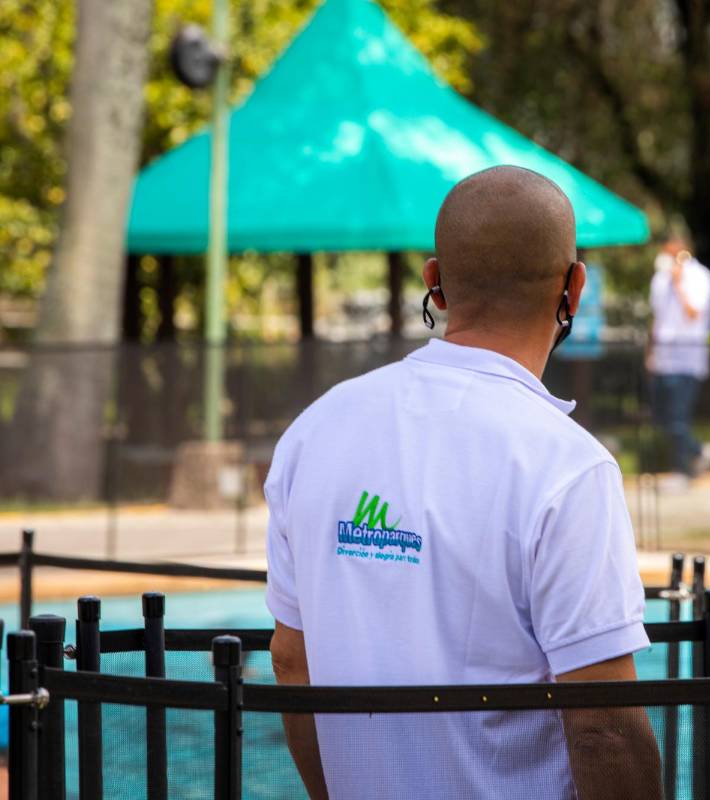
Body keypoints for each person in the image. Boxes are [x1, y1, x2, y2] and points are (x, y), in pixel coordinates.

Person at [266, 166, 662, 800]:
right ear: (574, 289)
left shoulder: (316, 431)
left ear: (435, 284)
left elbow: (291, 660)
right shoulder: (567, 465)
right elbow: (604, 726)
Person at [646, 235, 710, 491]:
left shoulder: (700, 277)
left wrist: (679, 285)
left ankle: (681, 471)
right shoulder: (659, 279)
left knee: (678, 418)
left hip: (686, 359)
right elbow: (658, 319)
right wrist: (651, 353)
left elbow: (693, 313)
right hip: (663, 358)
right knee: (663, 418)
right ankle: (699, 450)